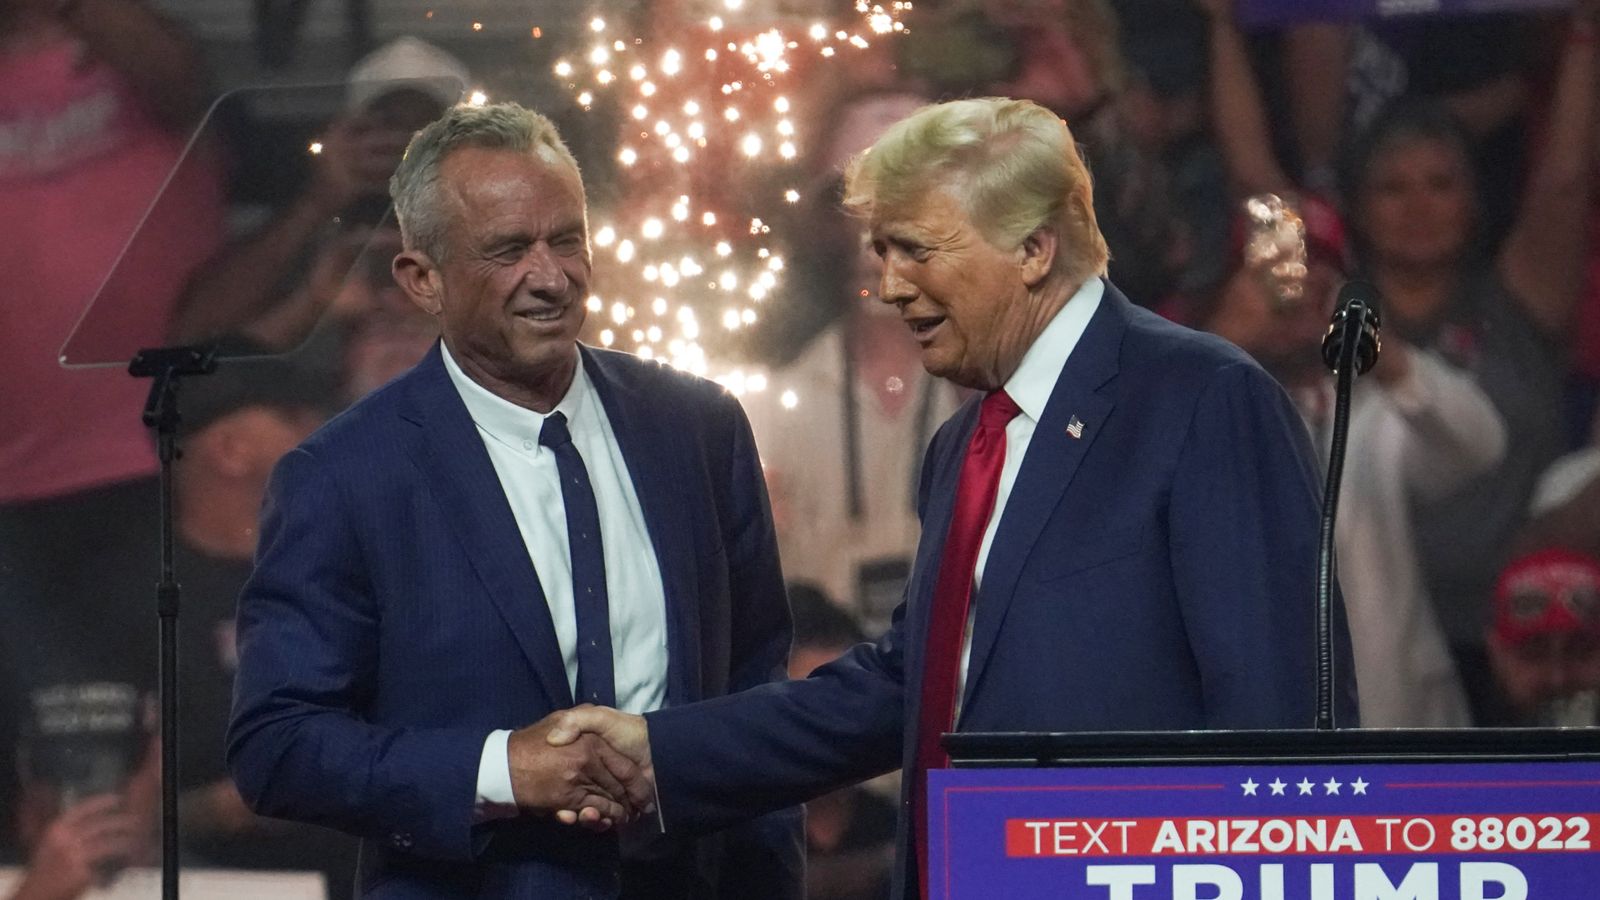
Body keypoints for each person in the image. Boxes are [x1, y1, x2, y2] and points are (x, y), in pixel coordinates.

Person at [548, 97, 1357, 900]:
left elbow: (1280, 722)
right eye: (880, 253)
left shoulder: (1200, 401)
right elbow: (907, 686)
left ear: (1034, 248)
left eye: (916, 251)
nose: (890, 287)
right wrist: (661, 752)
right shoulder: (965, 445)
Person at [224, 102, 801, 899]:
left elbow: (756, 694)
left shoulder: (698, 428)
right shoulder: (345, 476)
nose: (550, 276)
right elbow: (278, 746)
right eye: (507, 250)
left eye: (567, 239)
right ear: (421, 279)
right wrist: (503, 770)